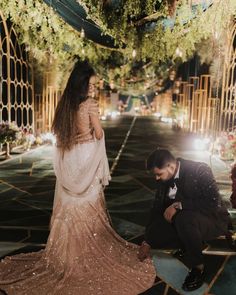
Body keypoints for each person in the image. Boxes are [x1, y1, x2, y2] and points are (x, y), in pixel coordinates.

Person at [0, 60, 155, 294]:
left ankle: (64, 258)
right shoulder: (90, 104)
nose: (93, 89)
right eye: (91, 84)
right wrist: (95, 128)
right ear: (82, 83)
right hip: (86, 159)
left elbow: (61, 136)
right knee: (88, 206)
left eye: (94, 85)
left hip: (69, 159)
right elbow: (99, 132)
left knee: (69, 207)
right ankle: (83, 255)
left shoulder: (64, 104)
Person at [137, 148, 230, 292]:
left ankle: (198, 267)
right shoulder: (165, 179)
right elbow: (156, 209)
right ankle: (187, 242)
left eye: (158, 174)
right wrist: (147, 241)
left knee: (183, 219)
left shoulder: (200, 169)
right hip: (187, 220)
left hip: (213, 220)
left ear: (171, 167)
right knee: (156, 233)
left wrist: (180, 205)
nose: (156, 178)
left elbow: (213, 204)